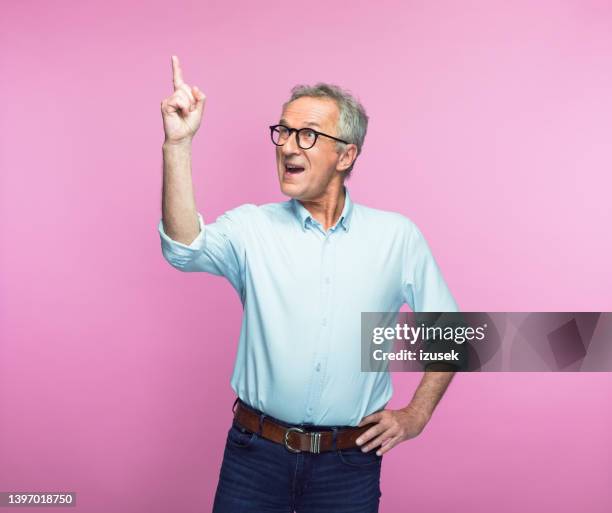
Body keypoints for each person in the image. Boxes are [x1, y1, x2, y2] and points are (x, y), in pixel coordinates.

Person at [158, 55, 459, 513]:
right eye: (283, 132)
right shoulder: (251, 228)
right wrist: (178, 145)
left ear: (347, 154)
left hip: (349, 465)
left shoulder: (396, 237)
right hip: (254, 458)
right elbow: (183, 248)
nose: (288, 147)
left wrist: (415, 415)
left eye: (309, 135)